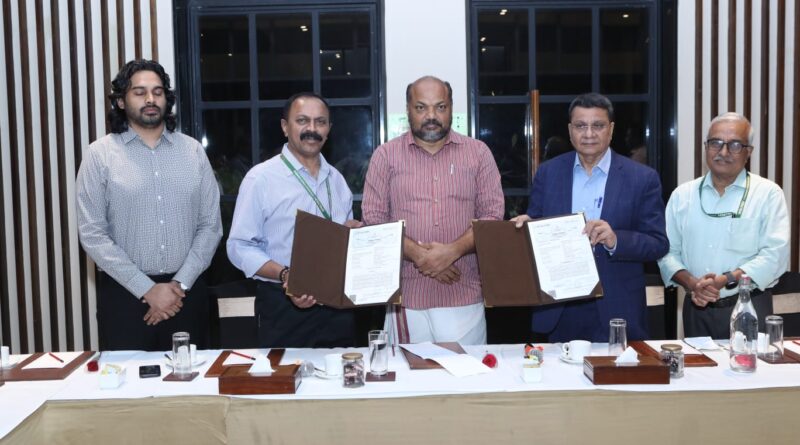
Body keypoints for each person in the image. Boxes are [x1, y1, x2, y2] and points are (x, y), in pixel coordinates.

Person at [76, 60, 222, 351]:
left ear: (167, 99)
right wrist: (147, 289)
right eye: (139, 92)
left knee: (190, 379)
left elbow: (210, 226)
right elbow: (92, 234)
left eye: (157, 92)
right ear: (121, 101)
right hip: (125, 296)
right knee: (126, 379)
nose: (151, 99)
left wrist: (178, 286)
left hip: (187, 295)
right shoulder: (99, 155)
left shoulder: (193, 151)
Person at [512, 93, 669, 342]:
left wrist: (616, 240)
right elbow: (537, 227)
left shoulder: (642, 178)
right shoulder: (548, 173)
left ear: (611, 130)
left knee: (615, 369)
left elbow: (658, 243)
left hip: (616, 306)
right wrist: (525, 230)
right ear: (570, 130)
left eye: (597, 125)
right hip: (559, 306)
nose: (588, 134)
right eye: (580, 126)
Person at [362, 76, 504, 345]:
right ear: (408, 110)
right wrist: (421, 257)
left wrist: (452, 251)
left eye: (440, 107)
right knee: (407, 373)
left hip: (462, 292)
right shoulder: (385, 156)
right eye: (421, 107)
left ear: (451, 108)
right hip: (405, 296)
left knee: (463, 371)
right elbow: (373, 221)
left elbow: (493, 217)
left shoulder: (478, 153)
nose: (431, 116)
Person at [227, 92, 361, 348]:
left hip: (337, 309)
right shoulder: (261, 179)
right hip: (282, 306)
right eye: (302, 120)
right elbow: (238, 246)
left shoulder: (337, 180)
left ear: (329, 129)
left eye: (320, 122)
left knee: (339, 372)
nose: (312, 129)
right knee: (285, 372)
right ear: (285, 127)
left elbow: (341, 243)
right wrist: (286, 275)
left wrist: (354, 237)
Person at [658, 112, 789, 339]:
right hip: (696, 308)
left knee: (750, 363)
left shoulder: (768, 194)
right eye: (716, 143)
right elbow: (666, 252)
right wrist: (693, 283)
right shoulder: (682, 195)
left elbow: (774, 256)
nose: (724, 152)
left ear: (748, 152)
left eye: (735, 145)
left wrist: (727, 279)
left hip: (749, 308)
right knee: (696, 363)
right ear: (706, 147)